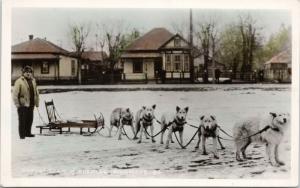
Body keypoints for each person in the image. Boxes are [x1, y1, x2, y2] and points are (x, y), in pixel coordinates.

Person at [13, 66, 39, 139]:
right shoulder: (19, 81)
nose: (28, 74)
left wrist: (36, 102)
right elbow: (15, 94)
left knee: (29, 119)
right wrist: (17, 105)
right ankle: (22, 135)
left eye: (30, 72)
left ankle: (28, 133)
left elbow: (36, 92)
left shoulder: (33, 80)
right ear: (23, 73)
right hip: (22, 104)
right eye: (26, 72)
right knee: (22, 120)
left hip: (31, 103)